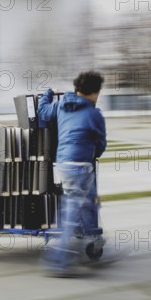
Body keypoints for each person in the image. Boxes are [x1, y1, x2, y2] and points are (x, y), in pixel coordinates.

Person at [37, 71, 107, 277]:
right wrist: (95, 152)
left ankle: (93, 236)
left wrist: (48, 92)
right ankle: (58, 261)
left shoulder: (60, 105)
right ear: (94, 92)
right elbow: (101, 144)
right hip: (81, 165)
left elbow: (42, 112)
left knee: (90, 198)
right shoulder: (94, 114)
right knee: (71, 212)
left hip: (64, 164)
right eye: (98, 92)